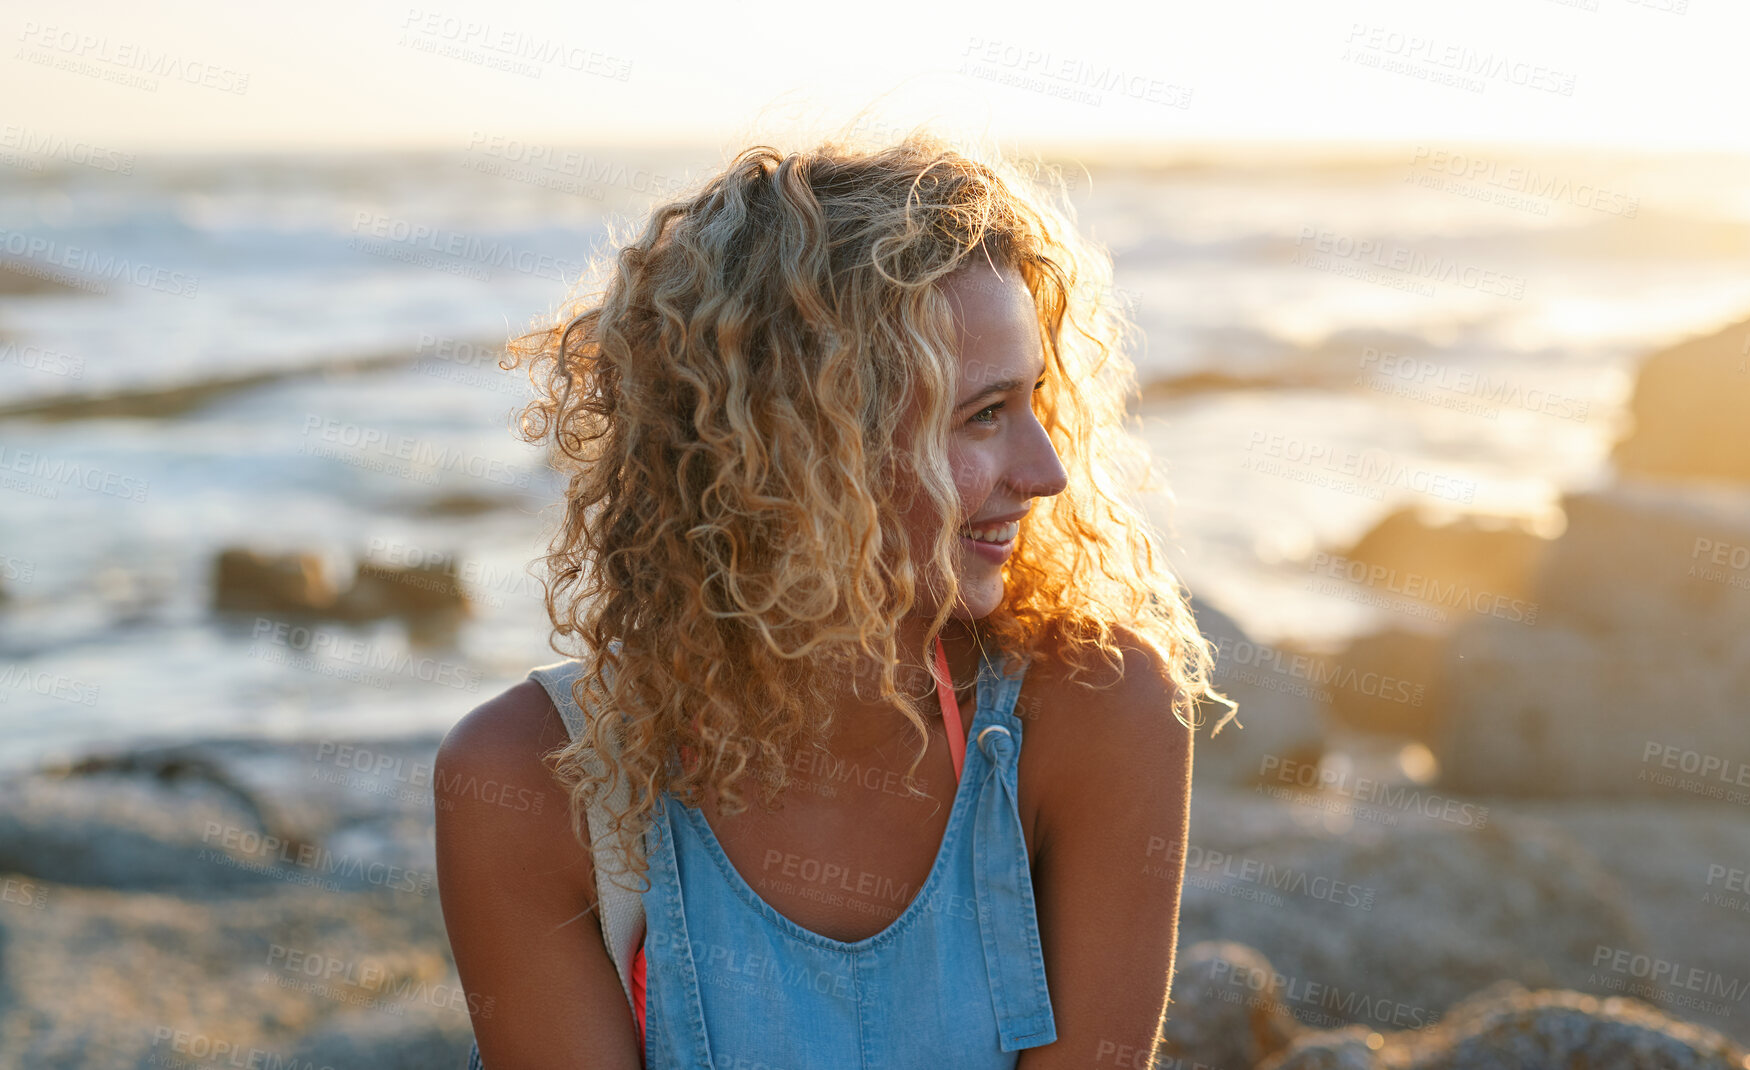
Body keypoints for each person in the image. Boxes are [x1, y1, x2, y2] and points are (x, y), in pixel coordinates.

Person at [433, 126, 1233, 1069]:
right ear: (802, 453)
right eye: (981, 414)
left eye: (1033, 402)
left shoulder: (1100, 712)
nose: (1046, 470)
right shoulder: (530, 782)